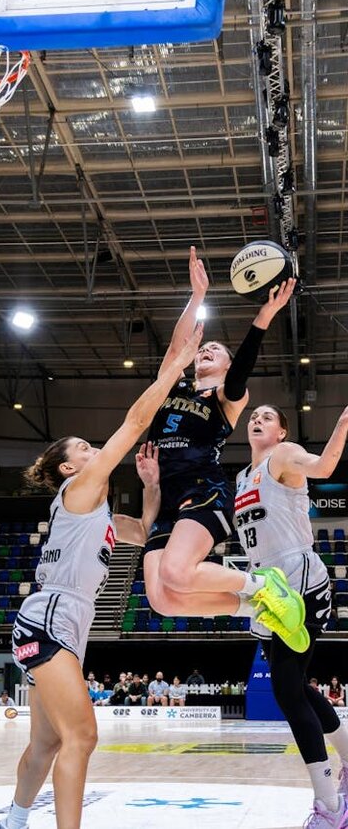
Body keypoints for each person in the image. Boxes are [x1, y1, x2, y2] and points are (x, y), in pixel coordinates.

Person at [0, 328, 203, 829]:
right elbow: (135, 422)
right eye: (86, 447)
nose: (96, 451)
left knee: (47, 741)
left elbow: (143, 531)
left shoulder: (97, 513)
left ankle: (12, 823)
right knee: (82, 737)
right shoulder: (81, 486)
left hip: (64, 620)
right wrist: (173, 371)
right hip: (52, 616)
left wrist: (151, 487)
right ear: (70, 466)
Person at [141, 246, 305, 652]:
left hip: (203, 488)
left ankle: (263, 584)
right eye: (204, 348)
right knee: (162, 600)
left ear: (228, 365)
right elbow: (176, 349)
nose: (206, 350)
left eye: (216, 349)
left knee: (177, 573)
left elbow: (242, 369)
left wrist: (263, 317)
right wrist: (196, 296)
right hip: (165, 497)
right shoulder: (173, 386)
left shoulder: (227, 397)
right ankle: (255, 607)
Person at [235, 403, 348, 828]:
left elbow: (323, 467)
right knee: (295, 686)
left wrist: (342, 423)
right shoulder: (241, 478)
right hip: (266, 587)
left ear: (282, 431)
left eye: (267, 417)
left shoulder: (283, 456)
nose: (257, 419)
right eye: (254, 416)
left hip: (299, 581)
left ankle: (331, 807)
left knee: (286, 690)